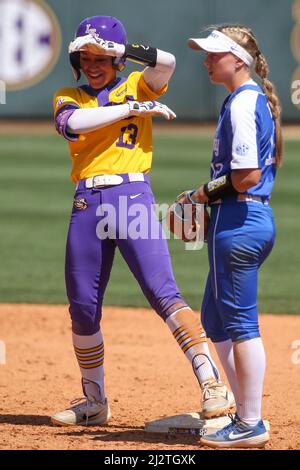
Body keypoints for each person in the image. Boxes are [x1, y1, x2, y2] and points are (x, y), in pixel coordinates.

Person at [50, 16, 234, 427]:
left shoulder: (136, 82)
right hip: (86, 202)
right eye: (85, 56)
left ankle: (213, 385)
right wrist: (129, 109)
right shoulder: (70, 96)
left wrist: (126, 56)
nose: (93, 64)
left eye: (101, 57)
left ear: (117, 59)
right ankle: (94, 400)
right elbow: (71, 126)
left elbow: (166, 63)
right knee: (81, 307)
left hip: (130, 197)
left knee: (162, 292)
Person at [180, 25, 282, 448]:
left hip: (240, 222)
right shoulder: (245, 100)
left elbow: (247, 176)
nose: (205, 59)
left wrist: (200, 194)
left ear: (237, 60)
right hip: (239, 220)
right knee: (214, 317)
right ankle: (244, 412)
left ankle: (251, 422)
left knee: (241, 324)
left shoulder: (243, 103)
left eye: (213, 53)